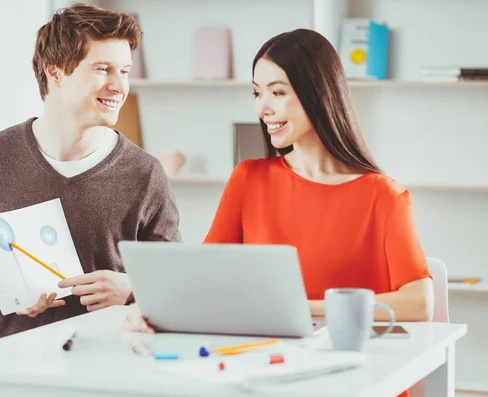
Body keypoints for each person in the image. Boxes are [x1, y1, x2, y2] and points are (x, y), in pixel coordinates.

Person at [125, 29, 433, 332]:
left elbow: (420, 303)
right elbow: (204, 274)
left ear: (318, 93)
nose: (263, 108)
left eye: (278, 92)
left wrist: (302, 308)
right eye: (258, 92)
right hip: (270, 360)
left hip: (356, 368)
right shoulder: (248, 179)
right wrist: (148, 305)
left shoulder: (384, 195)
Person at [0, 3, 180, 349]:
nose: (120, 86)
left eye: (125, 71)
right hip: (4, 366)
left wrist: (131, 288)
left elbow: (172, 286)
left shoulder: (146, 174)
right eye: (103, 69)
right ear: (55, 72)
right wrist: (0, 284)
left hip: (106, 367)